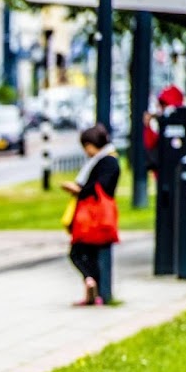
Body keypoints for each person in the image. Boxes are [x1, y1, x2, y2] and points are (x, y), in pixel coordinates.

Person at [60, 123, 120, 306]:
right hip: (97, 216)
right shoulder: (107, 160)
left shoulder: (107, 161)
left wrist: (78, 190)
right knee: (90, 253)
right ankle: (95, 292)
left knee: (78, 252)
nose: (86, 151)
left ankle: (91, 281)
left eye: (86, 146)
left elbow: (98, 187)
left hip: (94, 216)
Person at [142, 84, 184, 174]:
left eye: (164, 105)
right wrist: (148, 126)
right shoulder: (161, 125)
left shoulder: (183, 124)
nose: (161, 108)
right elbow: (151, 145)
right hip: (162, 173)